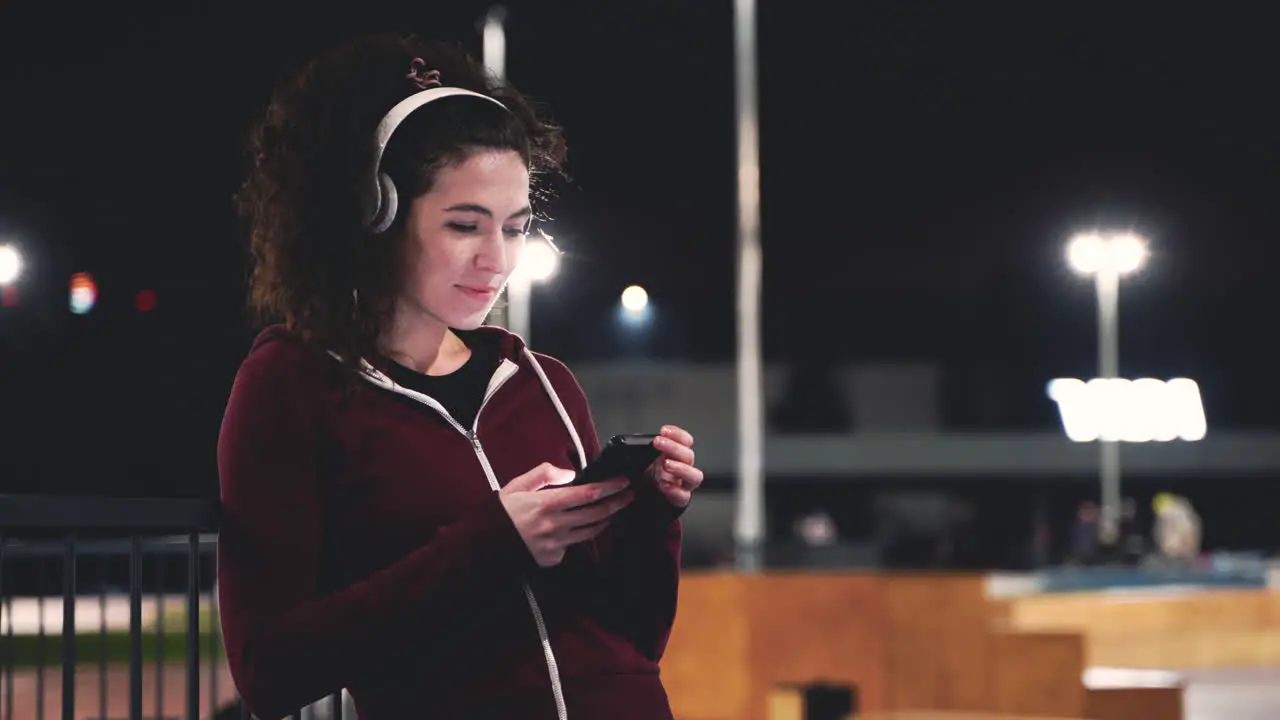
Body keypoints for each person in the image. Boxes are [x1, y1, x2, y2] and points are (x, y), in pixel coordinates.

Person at [216, 33, 704, 720]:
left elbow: (634, 643)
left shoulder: (543, 382)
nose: (497, 259)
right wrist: (494, 543)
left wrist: (653, 517)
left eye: (515, 227)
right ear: (375, 215)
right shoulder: (291, 385)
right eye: (464, 225)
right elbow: (270, 668)